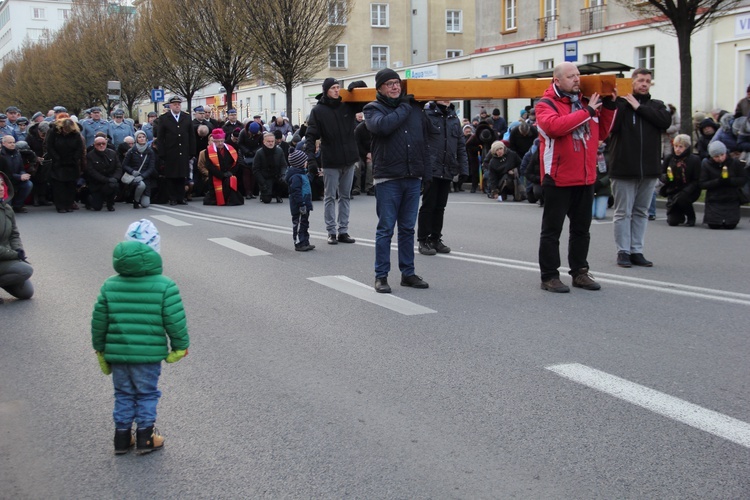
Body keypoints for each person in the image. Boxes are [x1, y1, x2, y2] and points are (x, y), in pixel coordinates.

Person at [91, 219, 189, 455]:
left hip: (118, 355)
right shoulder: (165, 285)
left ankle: (122, 438)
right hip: (147, 356)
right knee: (146, 393)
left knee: (123, 394)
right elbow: (174, 320)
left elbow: (98, 321)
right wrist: (180, 346)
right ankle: (146, 435)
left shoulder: (109, 285)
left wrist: (100, 348)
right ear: (155, 251)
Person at [535, 61, 615, 293]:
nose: (577, 79)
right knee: (552, 231)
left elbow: (602, 133)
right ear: (557, 80)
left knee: (581, 230)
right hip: (558, 178)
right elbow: (555, 128)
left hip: (585, 177)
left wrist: (608, 107)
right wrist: (588, 111)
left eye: (578, 75)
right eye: (571, 76)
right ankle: (549, 276)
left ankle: (580, 272)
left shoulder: (584, 102)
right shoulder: (545, 104)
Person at [364, 68, 432, 293]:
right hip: (388, 178)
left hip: (412, 176)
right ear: (380, 88)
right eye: (389, 83)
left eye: (397, 83)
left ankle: (408, 273)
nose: (394, 87)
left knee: (407, 229)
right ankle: (381, 276)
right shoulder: (373, 109)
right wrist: (404, 106)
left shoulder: (414, 110)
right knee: (385, 229)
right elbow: (382, 127)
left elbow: (425, 139)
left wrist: (426, 173)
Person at [604, 68, 672, 268]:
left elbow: (664, 121)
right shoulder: (620, 105)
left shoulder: (656, 106)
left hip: (649, 169)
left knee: (641, 211)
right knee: (623, 212)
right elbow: (611, 127)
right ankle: (623, 251)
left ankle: (637, 250)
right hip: (624, 168)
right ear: (631, 82)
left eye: (648, 81)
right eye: (640, 80)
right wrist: (618, 102)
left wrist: (639, 108)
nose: (644, 83)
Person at [305, 77, 363, 245]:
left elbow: (364, 98)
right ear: (326, 91)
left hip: (349, 158)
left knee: (345, 196)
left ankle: (343, 231)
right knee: (330, 196)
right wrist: (311, 159)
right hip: (331, 159)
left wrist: (355, 86)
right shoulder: (318, 110)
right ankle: (331, 231)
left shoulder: (347, 105)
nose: (337, 90)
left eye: (338, 87)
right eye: (333, 88)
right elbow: (310, 136)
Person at [417, 100, 468, 255]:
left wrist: (464, 168)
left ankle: (435, 238)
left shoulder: (453, 117)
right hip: (431, 168)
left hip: (447, 167)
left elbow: (460, 144)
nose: (446, 99)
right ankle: (423, 240)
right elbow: (421, 142)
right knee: (428, 205)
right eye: (442, 96)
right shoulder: (427, 114)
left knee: (440, 207)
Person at [0, 172, 34, 304]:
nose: (1, 188)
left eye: (2, 184)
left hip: (4, 257)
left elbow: (14, 234)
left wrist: (19, 250)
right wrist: (15, 255)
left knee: (27, 292)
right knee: (25, 270)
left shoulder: (7, 209)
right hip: (5, 255)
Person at [155, 96, 195, 206]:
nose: (177, 106)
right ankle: (172, 197)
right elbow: (160, 137)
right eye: (175, 104)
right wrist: (162, 153)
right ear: (170, 106)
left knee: (182, 176)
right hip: (170, 151)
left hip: (183, 151)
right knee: (171, 176)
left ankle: (181, 197)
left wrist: (192, 151)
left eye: (178, 104)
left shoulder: (186, 117)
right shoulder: (164, 118)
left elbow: (191, 135)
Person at [699, 141, 747, 229]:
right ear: (712, 156)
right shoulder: (706, 164)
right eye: (716, 156)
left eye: (722, 155)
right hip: (714, 198)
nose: (720, 158)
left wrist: (729, 181)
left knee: (730, 225)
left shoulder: (735, 163)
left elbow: (743, 179)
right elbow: (702, 184)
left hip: (731, 197)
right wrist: (718, 181)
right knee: (714, 225)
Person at [659, 134, 701, 227]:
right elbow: (661, 173)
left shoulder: (694, 160)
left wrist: (687, 190)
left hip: (689, 190)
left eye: (680, 147)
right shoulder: (669, 158)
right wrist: (665, 177)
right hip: (673, 189)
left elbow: (696, 179)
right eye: (676, 146)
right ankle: (679, 214)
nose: (677, 149)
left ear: (686, 147)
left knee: (682, 198)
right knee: (672, 222)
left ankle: (691, 216)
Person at [45, 116, 84, 213]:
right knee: (59, 186)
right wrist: (57, 158)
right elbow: (49, 146)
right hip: (58, 162)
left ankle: (69, 204)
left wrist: (75, 158)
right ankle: (60, 205)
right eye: (65, 130)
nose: (66, 132)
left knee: (71, 185)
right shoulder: (54, 132)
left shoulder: (75, 133)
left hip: (72, 162)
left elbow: (80, 148)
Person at [200, 128, 243, 206]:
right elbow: (209, 165)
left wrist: (231, 172)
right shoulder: (208, 151)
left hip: (229, 174)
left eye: (222, 141)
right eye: (217, 142)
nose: (220, 143)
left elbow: (236, 162)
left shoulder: (230, 149)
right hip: (216, 176)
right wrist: (221, 175)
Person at [285, 149, 315, 251]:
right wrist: (301, 204)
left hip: (305, 203)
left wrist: (313, 174)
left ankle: (305, 241)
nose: (306, 163)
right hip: (299, 205)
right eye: (305, 161)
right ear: (300, 163)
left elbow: (307, 183)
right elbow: (296, 192)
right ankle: (299, 243)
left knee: (305, 223)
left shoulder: (302, 174)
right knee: (298, 224)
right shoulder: (296, 177)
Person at [122, 130, 157, 208]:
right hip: (133, 177)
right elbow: (124, 165)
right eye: (139, 137)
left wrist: (143, 176)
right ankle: (136, 200)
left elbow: (151, 167)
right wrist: (132, 171)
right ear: (136, 139)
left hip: (145, 178)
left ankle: (141, 196)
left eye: (143, 137)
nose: (142, 139)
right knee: (141, 185)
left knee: (145, 204)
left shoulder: (150, 151)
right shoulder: (131, 151)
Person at [86, 135, 122, 211]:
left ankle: (110, 203)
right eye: (99, 144)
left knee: (114, 185)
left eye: (103, 143)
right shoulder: (90, 155)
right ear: (94, 145)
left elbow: (118, 168)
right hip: (97, 184)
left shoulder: (112, 153)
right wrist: (106, 180)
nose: (101, 145)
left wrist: (115, 178)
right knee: (97, 207)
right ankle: (89, 199)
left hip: (110, 181)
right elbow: (91, 172)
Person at [0, 135, 32, 213]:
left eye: (14, 142)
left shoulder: (17, 153)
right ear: (3, 143)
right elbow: (5, 174)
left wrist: (23, 175)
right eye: (10, 142)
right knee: (7, 208)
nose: (12, 144)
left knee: (28, 184)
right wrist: (19, 177)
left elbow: (21, 168)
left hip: (17, 178)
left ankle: (18, 205)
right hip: (5, 181)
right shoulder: (1, 156)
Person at [252, 132, 285, 204]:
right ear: (264, 142)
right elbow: (255, 169)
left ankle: (278, 194)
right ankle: (264, 194)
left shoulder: (279, 151)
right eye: (268, 141)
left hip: (277, 175)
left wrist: (283, 175)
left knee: (284, 181)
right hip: (265, 177)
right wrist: (262, 183)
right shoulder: (259, 153)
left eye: (272, 141)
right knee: (266, 200)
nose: (271, 143)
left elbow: (283, 165)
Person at [238, 121, 262, 199]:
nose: (254, 135)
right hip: (244, 154)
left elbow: (261, 144)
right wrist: (246, 151)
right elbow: (240, 143)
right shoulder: (243, 132)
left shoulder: (260, 134)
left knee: (253, 173)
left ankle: (252, 191)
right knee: (246, 173)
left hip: (255, 154)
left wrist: (255, 151)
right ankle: (248, 192)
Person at [592, 142, 611, 220]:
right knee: (591, 214)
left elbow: (612, 172)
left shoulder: (609, 154)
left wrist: (602, 182)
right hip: (591, 187)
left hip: (603, 188)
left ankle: (606, 202)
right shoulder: (589, 152)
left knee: (599, 215)